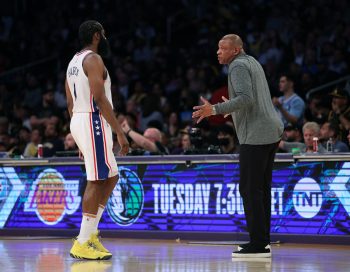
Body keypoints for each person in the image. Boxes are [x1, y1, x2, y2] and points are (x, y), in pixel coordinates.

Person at [192, 34, 283, 258]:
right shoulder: (252, 61)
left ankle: (258, 244)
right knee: (261, 189)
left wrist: (214, 109)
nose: (218, 52)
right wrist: (231, 108)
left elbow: (246, 98)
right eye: (218, 48)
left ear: (235, 50)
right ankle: (262, 241)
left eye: (223, 49)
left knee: (250, 189)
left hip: (256, 134)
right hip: (270, 130)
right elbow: (252, 100)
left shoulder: (237, 66)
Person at [65, 20, 129, 260]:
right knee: (96, 180)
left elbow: (70, 102)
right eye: (103, 33)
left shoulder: (73, 61)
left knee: (112, 176)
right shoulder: (93, 59)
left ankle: (90, 234)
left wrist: (80, 135)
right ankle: (82, 241)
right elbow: (100, 99)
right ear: (95, 36)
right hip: (93, 119)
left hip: (81, 120)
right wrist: (120, 132)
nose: (105, 37)